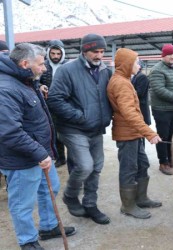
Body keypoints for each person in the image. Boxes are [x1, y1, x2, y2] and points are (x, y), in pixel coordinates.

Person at [0, 43, 76, 250]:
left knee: (49, 189)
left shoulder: (24, 80)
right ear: (25, 63)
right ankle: (28, 241)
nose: (44, 69)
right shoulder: (6, 89)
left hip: (40, 153)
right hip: (22, 159)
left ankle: (49, 226)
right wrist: (39, 153)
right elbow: (9, 132)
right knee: (22, 203)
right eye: (41, 64)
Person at [47, 33, 113, 225]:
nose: (99, 55)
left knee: (96, 168)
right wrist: (81, 117)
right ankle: (70, 195)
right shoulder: (67, 70)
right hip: (73, 128)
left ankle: (91, 204)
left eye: (101, 52)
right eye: (95, 51)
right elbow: (55, 99)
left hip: (96, 128)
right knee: (85, 166)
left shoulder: (105, 71)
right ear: (84, 50)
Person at [107, 48, 162, 219]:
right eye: (136, 62)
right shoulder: (121, 83)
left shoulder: (124, 80)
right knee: (129, 169)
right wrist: (149, 133)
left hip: (133, 133)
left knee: (142, 164)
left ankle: (141, 198)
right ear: (127, 64)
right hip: (127, 134)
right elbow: (129, 112)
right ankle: (128, 206)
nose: (139, 65)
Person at [149, 44, 173, 175]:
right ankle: (163, 162)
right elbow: (159, 90)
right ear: (163, 56)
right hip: (162, 110)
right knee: (163, 137)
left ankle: (171, 160)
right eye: (170, 54)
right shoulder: (157, 70)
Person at [40, 39, 68, 168]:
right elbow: (34, 81)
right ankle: (60, 157)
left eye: (58, 53)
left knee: (68, 133)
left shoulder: (67, 66)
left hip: (65, 104)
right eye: (53, 53)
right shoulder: (42, 65)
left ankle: (73, 158)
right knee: (53, 133)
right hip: (47, 106)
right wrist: (40, 85)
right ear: (49, 53)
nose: (56, 56)